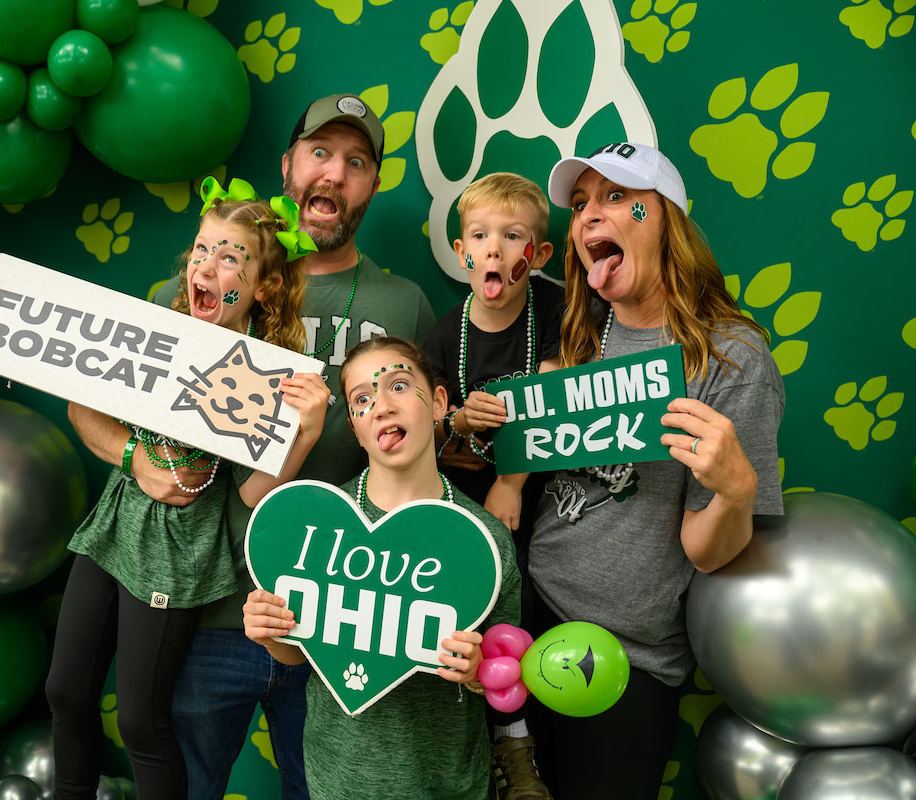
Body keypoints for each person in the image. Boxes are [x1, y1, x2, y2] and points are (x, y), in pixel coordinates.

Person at [0, 185, 331, 799]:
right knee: (65, 690)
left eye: (230, 258)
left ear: (263, 287)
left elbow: (249, 498)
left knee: (139, 718)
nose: (205, 267)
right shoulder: (155, 322)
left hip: (179, 550)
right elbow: (79, 391)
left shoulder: (268, 369)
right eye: (200, 250)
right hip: (115, 522)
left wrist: (305, 435)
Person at [151, 94, 437, 798]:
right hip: (214, 605)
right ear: (288, 166)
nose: (333, 175)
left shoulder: (406, 306)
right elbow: (99, 374)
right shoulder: (204, 287)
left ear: (372, 185)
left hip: (334, 613)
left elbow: (426, 446)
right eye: (319, 153)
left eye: (356, 162)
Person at [524, 142, 785, 798]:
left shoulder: (731, 359)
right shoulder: (580, 342)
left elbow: (705, 550)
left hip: (623, 658)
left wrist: (736, 489)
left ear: (665, 216)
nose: (588, 217)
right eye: (580, 204)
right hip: (525, 620)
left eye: (617, 197)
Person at [243, 336, 521, 800]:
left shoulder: (485, 538)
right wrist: (271, 631)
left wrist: (477, 671)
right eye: (362, 400)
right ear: (354, 426)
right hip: (341, 777)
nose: (382, 407)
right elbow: (298, 652)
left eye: (397, 386)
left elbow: (505, 666)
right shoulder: (318, 523)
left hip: (447, 781)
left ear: (437, 403)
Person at [422, 172, 563, 799]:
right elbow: (433, 431)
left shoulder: (557, 309)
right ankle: (471, 749)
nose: (497, 249)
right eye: (481, 236)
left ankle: (517, 746)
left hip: (535, 497)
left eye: (514, 237)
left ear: (539, 255)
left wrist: (510, 480)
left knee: (519, 615)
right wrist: (456, 419)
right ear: (462, 254)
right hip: (462, 495)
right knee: (463, 619)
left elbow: (555, 400)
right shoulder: (445, 332)